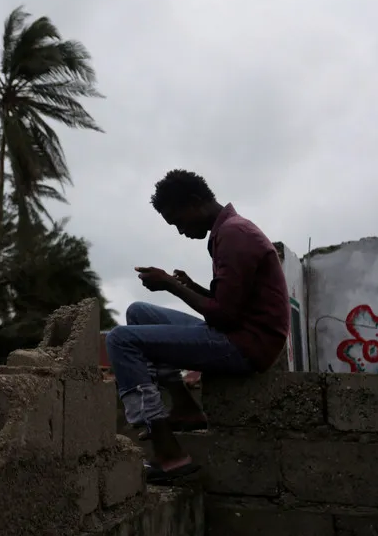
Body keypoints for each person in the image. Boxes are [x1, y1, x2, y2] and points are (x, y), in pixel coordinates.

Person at [106, 169, 288, 484]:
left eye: (178, 221)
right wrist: (193, 286)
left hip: (246, 346)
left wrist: (171, 286)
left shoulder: (235, 234)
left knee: (121, 340)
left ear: (194, 203)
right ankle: (187, 408)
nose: (180, 231)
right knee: (138, 312)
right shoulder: (226, 232)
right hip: (240, 333)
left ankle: (169, 454)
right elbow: (231, 303)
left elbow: (225, 316)